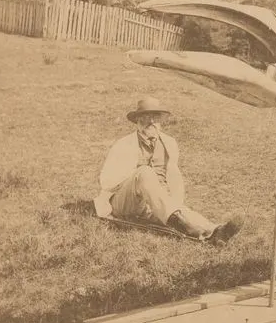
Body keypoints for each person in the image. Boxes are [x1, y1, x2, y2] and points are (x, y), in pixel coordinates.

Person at [95, 97, 241, 243]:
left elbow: (174, 178)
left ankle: (216, 232)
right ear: (138, 120)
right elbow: (106, 182)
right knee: (145, 172)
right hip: (126, 203)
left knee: (178, 211)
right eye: (146, 117)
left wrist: (168, 200)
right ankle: (176, 220)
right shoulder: (124, 145)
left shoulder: (169, 143)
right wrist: (138, 179)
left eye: (156, 117)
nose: (151, 121)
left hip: (155, 204)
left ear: (160, 121)